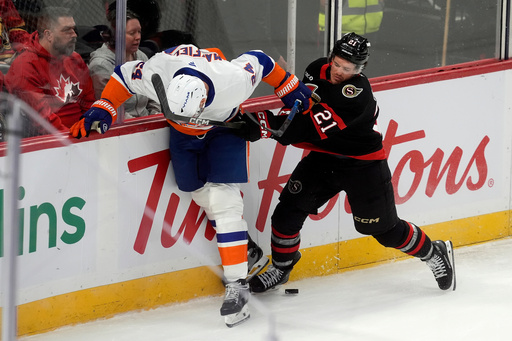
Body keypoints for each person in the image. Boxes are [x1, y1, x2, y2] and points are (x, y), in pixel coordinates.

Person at [68, 43, 313, 327]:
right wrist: (105, 107)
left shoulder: (231, 81)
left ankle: (237, 284)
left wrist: (289, 86)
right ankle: (243, 247)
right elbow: (123, 75)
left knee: (225, 203)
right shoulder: (158, 72)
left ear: (203, 100)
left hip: (224, 126)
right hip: (183, 134)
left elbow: (261, 60)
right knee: (197, 189)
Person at [238, 32, 456, 294]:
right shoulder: (316, 68)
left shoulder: (357, 95)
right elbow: (297, 107)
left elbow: (307, 128)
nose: (339, 71)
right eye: (337, 64)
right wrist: (266, 123)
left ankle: (434, 252)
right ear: (331, 57)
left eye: (348, 68)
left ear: (360, 69)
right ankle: (282, 268)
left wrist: (263, 125)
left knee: (384, 231)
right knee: (287, 213)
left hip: (363, 165)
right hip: (324, 158)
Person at [4, 6, 95, 135]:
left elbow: (89, 102)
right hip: (53, 143)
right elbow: (44, 122)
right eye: (67, 31)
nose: (74, 35)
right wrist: (74, 140)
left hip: (81, 135)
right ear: (48, 35)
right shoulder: (26, 67)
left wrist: (90, 131)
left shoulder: (75, 59)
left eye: (74, 29)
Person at [88, 6, 160, 118]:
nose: (138, 37)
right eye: (132, 33)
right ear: (116, 35)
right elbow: (110, 107)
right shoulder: (101, 65)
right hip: (123, 128)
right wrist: (140, 127)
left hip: (147, 122)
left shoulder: (141, 57)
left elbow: (154, 94)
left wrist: (155, 116)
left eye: (139, 32)